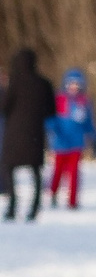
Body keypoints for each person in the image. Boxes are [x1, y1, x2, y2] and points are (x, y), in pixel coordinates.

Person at [2, 48, 52, 222]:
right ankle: (34, 208)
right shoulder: (44, 83)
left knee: (10, 169)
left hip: (14, 135)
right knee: (36, 171)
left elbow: (4, 107)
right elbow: (51, 110)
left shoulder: (14, 83)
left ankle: (12, 207)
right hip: (35, 135)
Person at [44, 68, 96, 208]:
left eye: (77, 84)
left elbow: (89, 123)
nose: (74, 87)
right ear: (66, 84)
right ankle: (53, 193)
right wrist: (52, 131)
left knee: (74, 173)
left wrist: (95, 139)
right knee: (58, 171)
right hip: (60, 143)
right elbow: (50, 119)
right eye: (71, 84)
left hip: (76, 143)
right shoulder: (58, 99)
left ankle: (73, 201)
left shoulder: (84, 102)